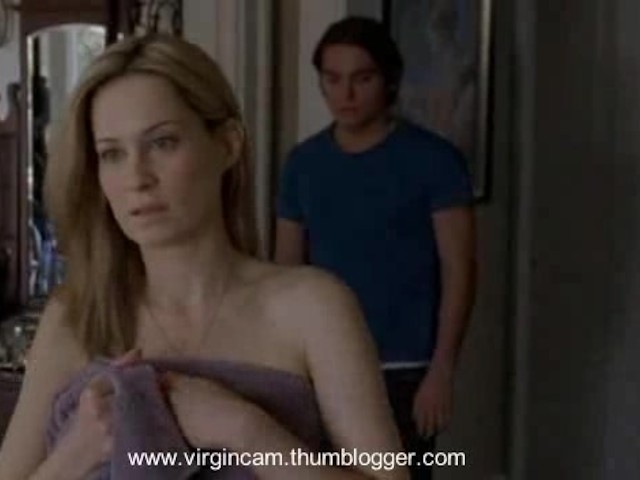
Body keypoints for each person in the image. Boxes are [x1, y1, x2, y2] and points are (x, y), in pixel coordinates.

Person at [0, 34, 409, 480]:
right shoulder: (75, 318)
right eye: (112, 154)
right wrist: (76, 454)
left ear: (227, 145)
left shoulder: (313, 308)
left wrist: (247, 431)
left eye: (163, 143)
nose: (137, 177)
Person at [274, 17, 476, 480]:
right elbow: (286, 273)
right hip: (323, 365)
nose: (345, 94)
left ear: (388, 81)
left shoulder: (434, 161)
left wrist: (442, 370)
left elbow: (459, 269)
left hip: (405, 367)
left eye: (361, 79)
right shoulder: (303, 165)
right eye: (333, 79)